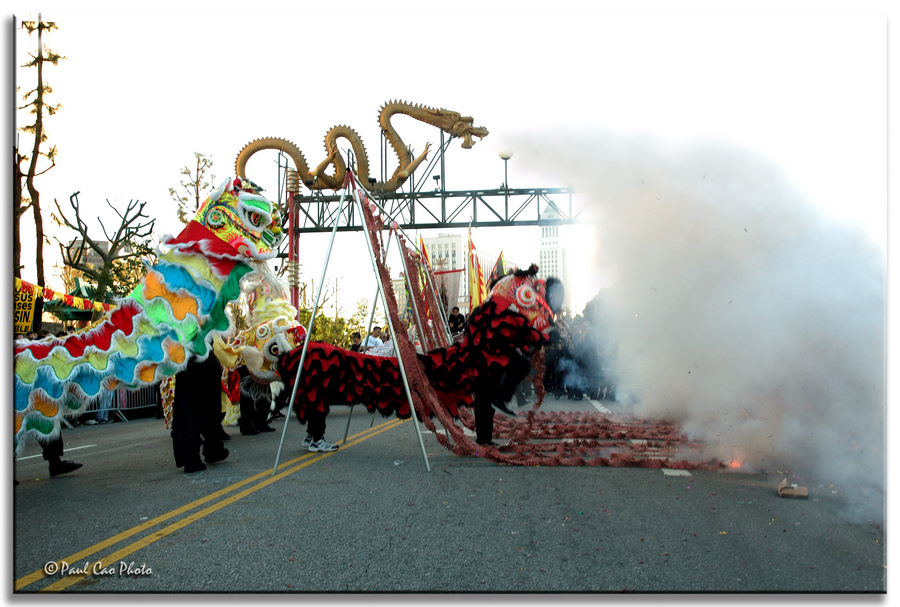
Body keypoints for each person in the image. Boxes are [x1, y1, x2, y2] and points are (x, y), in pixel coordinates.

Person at [171, 354, 230, 473]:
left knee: (191, 409)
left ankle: (205, 452)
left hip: (187, 360)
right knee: (207, 408)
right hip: (200, 359)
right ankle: (206, 452)